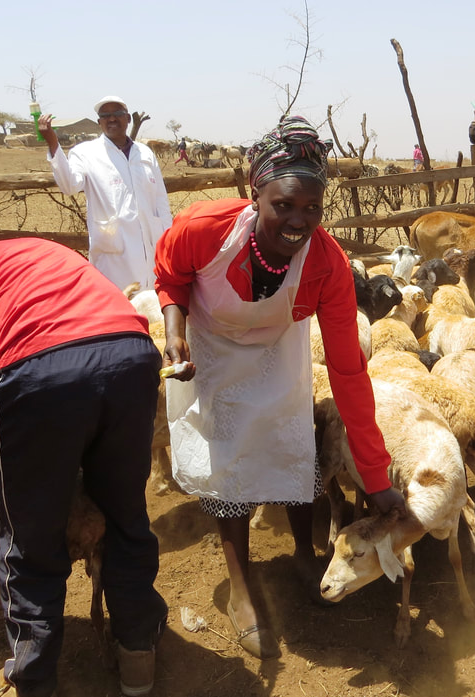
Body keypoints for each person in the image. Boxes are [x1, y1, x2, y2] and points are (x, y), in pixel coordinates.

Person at [154, 115, 406, 660]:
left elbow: (347, 372)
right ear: (256, 195)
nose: (298, 221)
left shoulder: (327, 264)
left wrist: (375, 472)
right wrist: (175, 333)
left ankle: (301, 550)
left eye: (312, 209)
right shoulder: (203, 228)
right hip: (213, 351)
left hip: (277, 349)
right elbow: (170, 275)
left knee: (293, 445)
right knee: (230, 466)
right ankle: (241, 592)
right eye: (284, 205)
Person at [0, 220, 167, 697]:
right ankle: (137, 654)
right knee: (124, 516)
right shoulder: (33, 247)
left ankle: (35, 679)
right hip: (134, 355)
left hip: (45, 372)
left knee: (28, 542)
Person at [39, 95, 171, 291]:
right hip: (113, 252)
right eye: (105, 115)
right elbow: (69, 186)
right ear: (99, 122)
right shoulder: (85, 153)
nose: (112, 119)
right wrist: (53, 144)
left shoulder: (144, 154)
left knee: (153, 307)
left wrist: (169, 239)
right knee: (120, 307)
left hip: (153, 247)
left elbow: (160, 199)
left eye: (117, 114)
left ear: (127, 118)